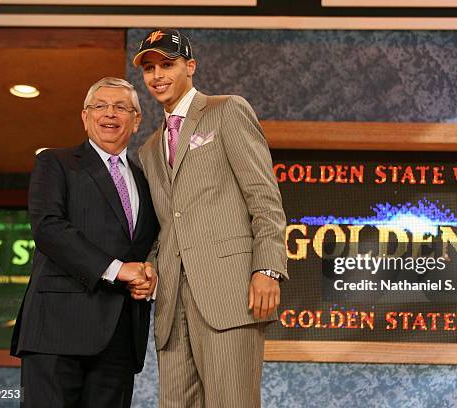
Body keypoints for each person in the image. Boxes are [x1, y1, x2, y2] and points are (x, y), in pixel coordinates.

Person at [133, 29, 288, 407]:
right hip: (172, 303)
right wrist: (150, 268)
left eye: (167, 64)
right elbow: (167, 225)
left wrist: (267, 269)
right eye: (149, 68)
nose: (158, 75)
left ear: (190, 66)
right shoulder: (150, 148)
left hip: (228, 293)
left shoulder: (227, 109)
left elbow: (264, 198)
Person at [10, 77, 159, 408]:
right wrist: (120, 271)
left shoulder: (147, 180)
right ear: (84, 116)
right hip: (56, 334)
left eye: (121, 107)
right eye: (100, 105)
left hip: (120, 339)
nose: (110, 113)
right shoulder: (55, 163)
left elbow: (151, 245)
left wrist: (151, 276)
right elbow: (49, 228)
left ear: (136, 120)